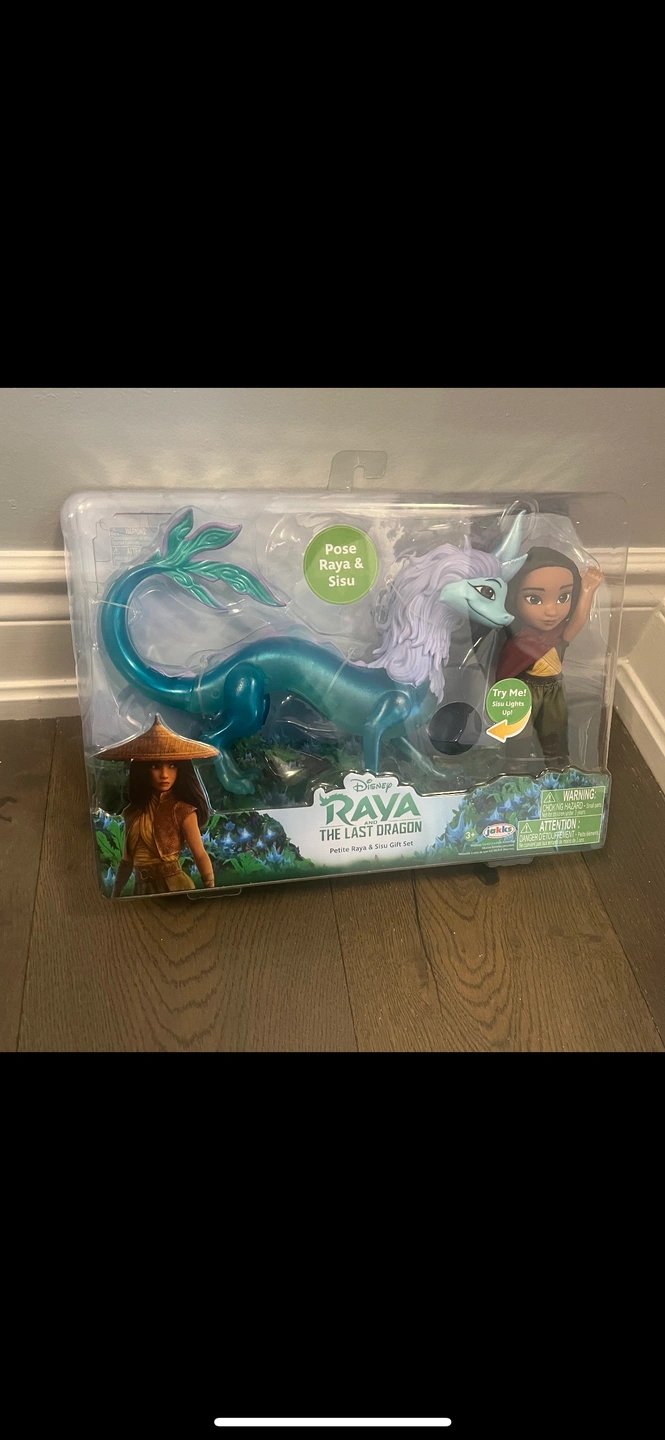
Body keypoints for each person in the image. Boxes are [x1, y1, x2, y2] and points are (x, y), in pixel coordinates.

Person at [495, 547, 604, 768]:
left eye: (563, 597)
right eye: (534, 598)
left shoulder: (558, 635)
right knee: (518, 735)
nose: (552, 611)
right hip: (523, 688)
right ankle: (516, 770)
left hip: (554, 689)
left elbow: (578, 620)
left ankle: (557, 769)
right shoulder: (517, 639)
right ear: (514, 596)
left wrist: (587, 590)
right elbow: (503, 670)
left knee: (554, 733)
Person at [94, 716, 219, 896]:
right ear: (143, 770)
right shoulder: (132, 812)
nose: (164, 774)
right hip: (142, 888)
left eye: (172, 766)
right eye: (155, 766)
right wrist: (116, 893)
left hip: (175, 885)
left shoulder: (182, 811)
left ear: (181, 769)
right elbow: (127, 860)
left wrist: (211, 887)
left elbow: (199, 853)